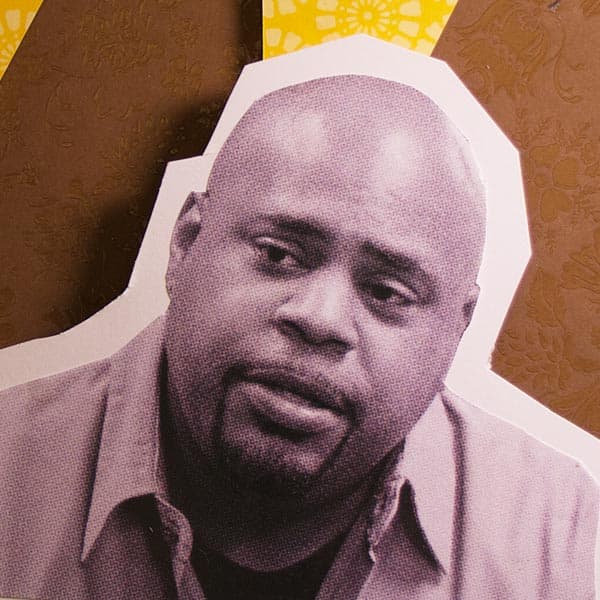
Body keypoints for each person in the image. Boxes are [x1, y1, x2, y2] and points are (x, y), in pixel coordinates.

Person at [0, 75, 597, 600]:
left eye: (388, 292)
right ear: (185, 244)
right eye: (279, 254)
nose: (320, 320)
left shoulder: (565, 541)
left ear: (457, 329)